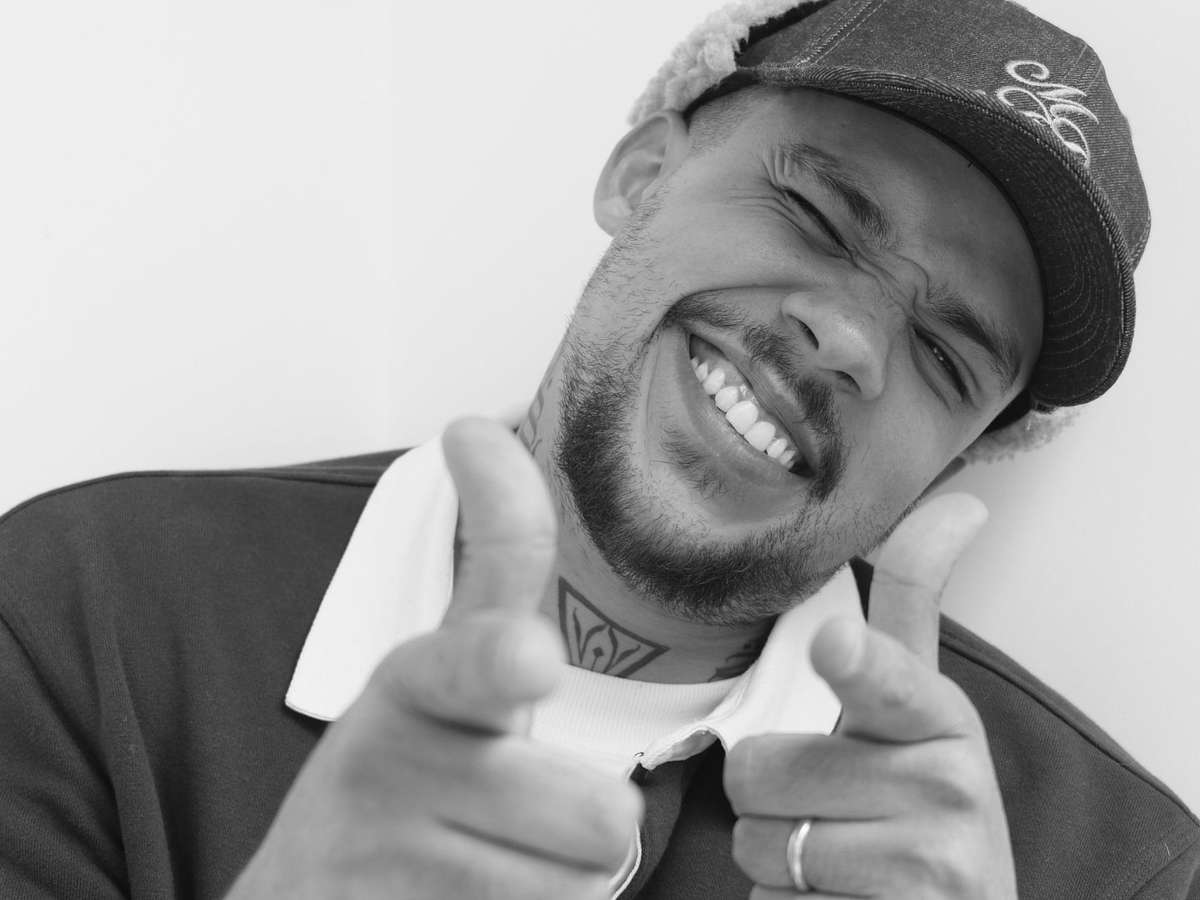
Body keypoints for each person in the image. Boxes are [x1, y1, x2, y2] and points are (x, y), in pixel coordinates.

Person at [1, 0, 1197, 897]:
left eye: (944, 356)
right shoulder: (83, 611)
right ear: (642, 177)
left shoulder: (1113, 864)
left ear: (959, 459)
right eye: (819, 216)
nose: (846, 342)